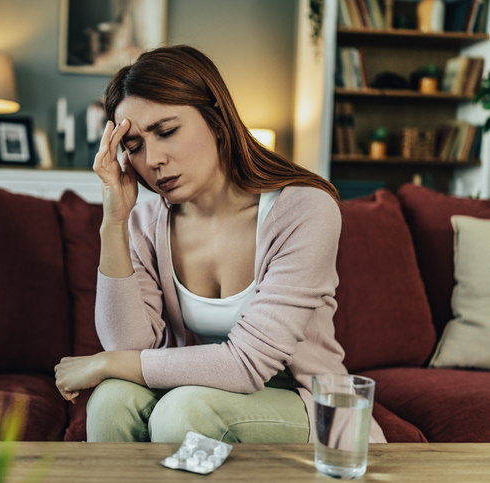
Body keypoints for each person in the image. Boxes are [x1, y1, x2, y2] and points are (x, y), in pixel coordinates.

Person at [54, 45, 386, 444]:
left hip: (309, 409)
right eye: (134, 146)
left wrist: (108, 363)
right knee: (110, 399)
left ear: (216, 120)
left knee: (184, 411)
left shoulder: (305, 210)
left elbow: (247, 363)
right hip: (196, 395)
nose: (153, 158)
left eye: (166, 131)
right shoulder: (145, 224)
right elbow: (130, 345)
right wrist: (115, 220)